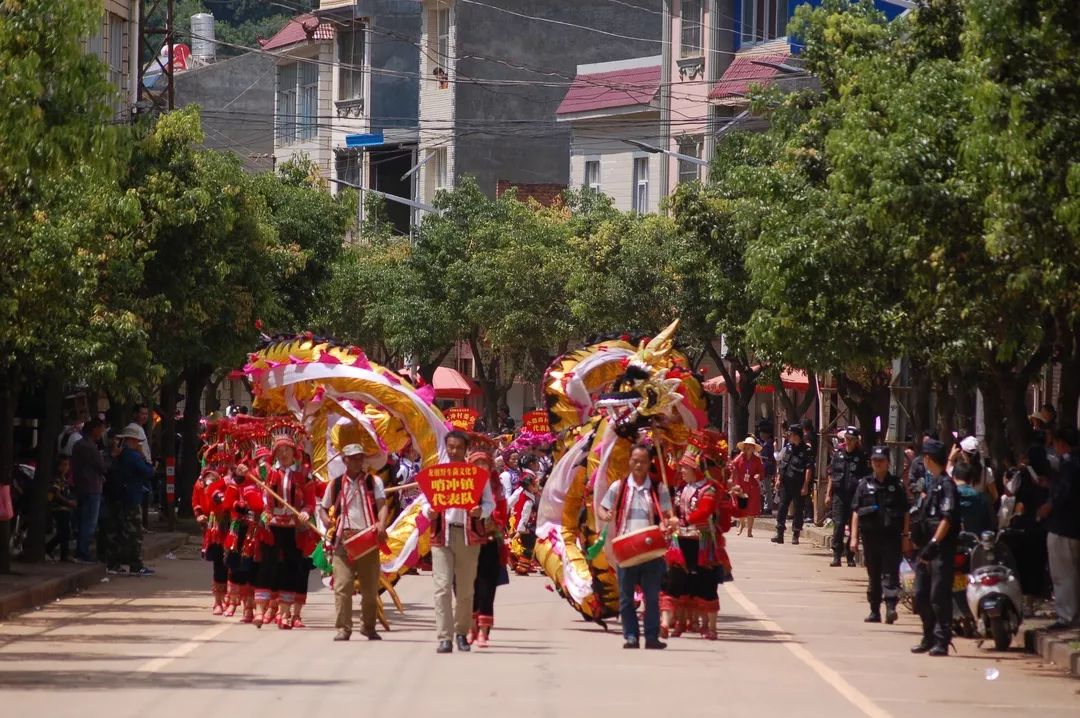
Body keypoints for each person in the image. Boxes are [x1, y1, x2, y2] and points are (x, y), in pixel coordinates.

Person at [597, 443, 677, 650]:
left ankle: (651, 637)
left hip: (651, 550)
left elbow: (668, 514)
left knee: (651, 597)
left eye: (642, 461)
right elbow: (601, 507)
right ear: (629, 462)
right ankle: (631, 636)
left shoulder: (658, 488)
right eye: (635, 461)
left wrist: (667, 522)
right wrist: (604, 514)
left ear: (650, 462)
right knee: (626, 598)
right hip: (626, 549)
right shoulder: (620, 486)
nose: (638, 465)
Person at [426, 430, 495, 654]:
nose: (454, 451)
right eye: (450, 447)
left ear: (465, 449)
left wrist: (480, 511)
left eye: (458, 447)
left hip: (468, 537)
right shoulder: (437, 474)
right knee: (442, 588)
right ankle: (444, 637)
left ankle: (460, 633)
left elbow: (489, 504)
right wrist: (431, 512)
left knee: (465, 591)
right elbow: (425, 504)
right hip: (441, 536)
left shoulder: (477, 476)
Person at [319, 444, 389, 642]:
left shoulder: (373, 482)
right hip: (344, 540)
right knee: (342, 586)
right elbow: (323, 508)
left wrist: (381, 524)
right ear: (345, 460)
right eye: (353, 458)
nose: (358, 461)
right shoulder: (335, 485)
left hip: (368, 538)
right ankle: (343, 628)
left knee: (370, 589)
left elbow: (382, 506)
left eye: (360, 457)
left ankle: (368, 627)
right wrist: (325, 519)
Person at [254, 436, 315, 629]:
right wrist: (243, 471)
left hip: (294, 527)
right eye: (279, 450)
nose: (283, 454)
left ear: (293, 451)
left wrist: (305, 512)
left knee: (291, 567)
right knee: (268, 565)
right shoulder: (270, 473)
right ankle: (259, 610)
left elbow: (310, 501)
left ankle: (286, 613)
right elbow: (259, 490)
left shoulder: (304, 474)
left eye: (286, 449)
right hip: (272, 525)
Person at [850, 446, 910, 624]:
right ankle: (874, 610)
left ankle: (891, 607)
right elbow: (856, 511)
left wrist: (906, 536)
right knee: (873, 574)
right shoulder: (864, 484)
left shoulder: (896, 485)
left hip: (891, 537)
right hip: (870, 537)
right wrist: (853, 538)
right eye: (875, 460)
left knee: (890, 572)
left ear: (888, 462)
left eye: (881, 460)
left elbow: (905, 512)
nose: (878, 463)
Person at [910, 438, 959, 656]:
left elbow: (947, 519)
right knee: (920, 594)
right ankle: (928, 635)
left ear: (929, 459)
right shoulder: (934, 483)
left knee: (938, 595)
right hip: (925, 548)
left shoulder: (947, 486)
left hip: (940, 549)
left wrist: (934, 543)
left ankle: (941, 639)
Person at [670, 443, 722, 639]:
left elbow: (704, 511)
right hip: (682, 540)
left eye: (685, 467)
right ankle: (681, 623)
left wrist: (683, 520)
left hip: (701, 543)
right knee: (683, 584)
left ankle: (711, 628)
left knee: (706, 586)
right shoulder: (684, 488)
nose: (681, 470)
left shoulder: (708, 489)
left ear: (695, 468)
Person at [1040, 427, 1080, 630]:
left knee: (1063, 575)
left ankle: (1067, 616)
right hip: (1074, 528)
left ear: (1061, 442)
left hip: (1063, 527)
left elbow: (1064, 492)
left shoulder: (1068, 465)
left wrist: (1048, 506)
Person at [470, 449, 508, 648]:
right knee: (469, 586)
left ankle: (484, 631)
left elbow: (502, 509)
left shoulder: (496, 485)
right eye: (477, 464)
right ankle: (471, 626)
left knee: (487, 586)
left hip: (491, 539)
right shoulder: (465, 483)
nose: (481, 468)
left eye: (484, 463)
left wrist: (494, 522)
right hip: (469, 539)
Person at [109, 424, 156, 575]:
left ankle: (115, 563)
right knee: (135, 533)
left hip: (121, 496)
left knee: (121, 531)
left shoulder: (121, 455)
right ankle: (136, 564)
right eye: (137, 441)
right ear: (132, 440)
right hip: (132, 497)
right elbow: (148, 472)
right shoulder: (133, 456)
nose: (138, 444)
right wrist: (146, 460)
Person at [827, 426, 869, 567]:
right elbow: (832, 476)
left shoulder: (862, 456)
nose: (848, 442)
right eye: (846, 439)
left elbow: (866, 478)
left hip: (855, 496)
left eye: (851, 440)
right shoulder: (838, 455)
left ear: (856, 441)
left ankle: (850, 556)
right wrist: (828, 494)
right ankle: (836, 555)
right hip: (839, 495)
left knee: (854, 527)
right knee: (838, 525)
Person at [71, 418, 107, 563]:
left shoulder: (78, 444)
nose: (103, 432)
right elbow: (102, 467)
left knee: (83, 521)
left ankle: (81, 551)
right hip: (92, 487)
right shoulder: (90, 447)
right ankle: (83, 553)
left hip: (82, 486)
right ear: (94, 430)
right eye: (101, 429)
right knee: (89, 523)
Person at [772, 424, 813, 545]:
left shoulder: (807, 450)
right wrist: (779, 479)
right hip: (786, 483)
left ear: (797, 435)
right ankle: (779, 533)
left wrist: (805, 485)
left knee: (798, 509)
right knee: (782, 507)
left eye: (791, 434)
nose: (789, 436)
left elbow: (809, 469)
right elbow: (783, 464)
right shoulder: (788, 448)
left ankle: (796, 534)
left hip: (799, 483)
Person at [729, 436, 764, 537]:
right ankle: (741, 523)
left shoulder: (757, 460)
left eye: (750, 446)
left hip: (752, 486)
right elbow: (732, 465)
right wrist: (740, 455)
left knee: (752, 509)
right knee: (741, 507)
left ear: (753, 448)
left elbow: (761, 472)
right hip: (741, 485)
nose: (748, 448)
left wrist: (758, 476)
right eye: (746, 446)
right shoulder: (740, 458)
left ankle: (750, 530)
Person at [45, 455, 75, 562]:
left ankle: (49, 548)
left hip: (64, 508)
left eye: (67, 465)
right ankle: (63, 556)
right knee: (64, 532)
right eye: (64, 465)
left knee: (64, 532)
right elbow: (56, 494)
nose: (67, 467)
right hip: (59, 508)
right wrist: (68, 502)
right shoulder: (56, 479)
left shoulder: (64, 478)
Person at [509, 471, 540, 575]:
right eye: (534, 485)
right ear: (529, 486)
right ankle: (522, 568)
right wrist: (520, 531)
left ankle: (519, 565)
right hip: (526, 527)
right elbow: (525, 516)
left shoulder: (521, 492)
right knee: (528, 547)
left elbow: (510, 502)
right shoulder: (528, 501)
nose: (536, 487)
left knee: (526, 547)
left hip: (522, 524)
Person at [952, 463, 994, 536]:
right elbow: (991, 524)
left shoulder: (950, 496)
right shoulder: (982, 498)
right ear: (971, 479)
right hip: (975, 542)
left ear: (953, 477)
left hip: (954, 542)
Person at [757, 422, 777, 515]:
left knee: (766, 488)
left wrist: (760, 457)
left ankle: (767, 507)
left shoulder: (769, 444)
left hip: (767, 468)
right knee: (764, 488)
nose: (761, 434)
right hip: (763, 468)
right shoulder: (763, 443)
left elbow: (770, 458)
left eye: (763, 432)